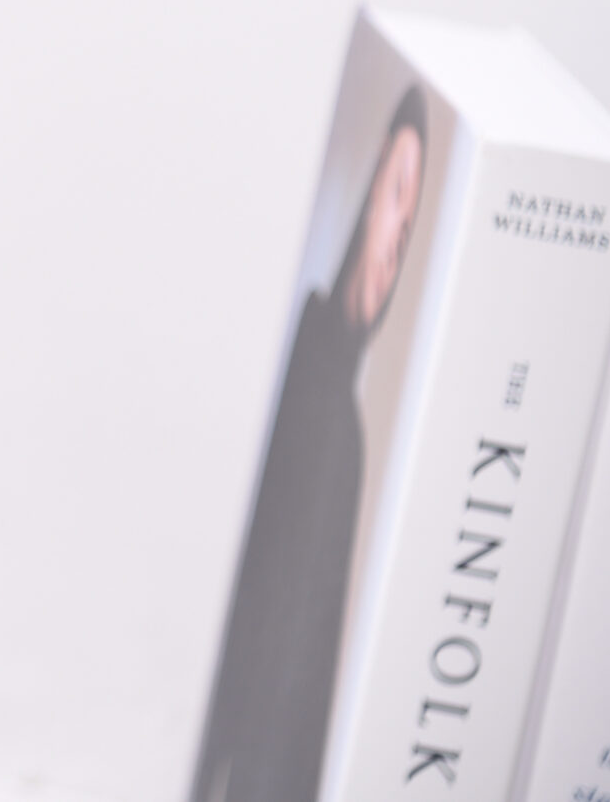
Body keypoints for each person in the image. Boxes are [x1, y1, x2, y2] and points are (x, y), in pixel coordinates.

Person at [190, 86, 429, 802]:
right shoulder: (288, 351)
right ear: (369, 183)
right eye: (395, 194)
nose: (394, 240)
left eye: (410, 222)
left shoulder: (346, 436)